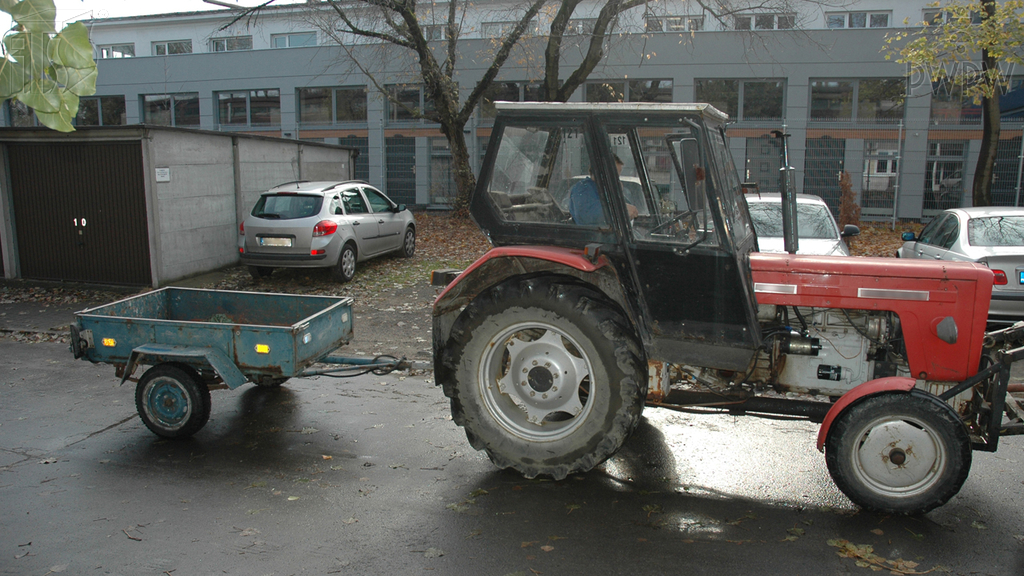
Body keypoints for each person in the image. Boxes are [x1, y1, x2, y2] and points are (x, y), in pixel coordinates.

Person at [568, 155, 638, 226]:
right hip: (592, 235)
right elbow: (587, 213)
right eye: (614, 175)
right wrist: (620, 210)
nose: (616, 180)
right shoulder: (583, 188)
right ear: (601, 171)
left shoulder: (605, 189)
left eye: (617, 177)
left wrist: (617, 193)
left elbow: (630, 210)